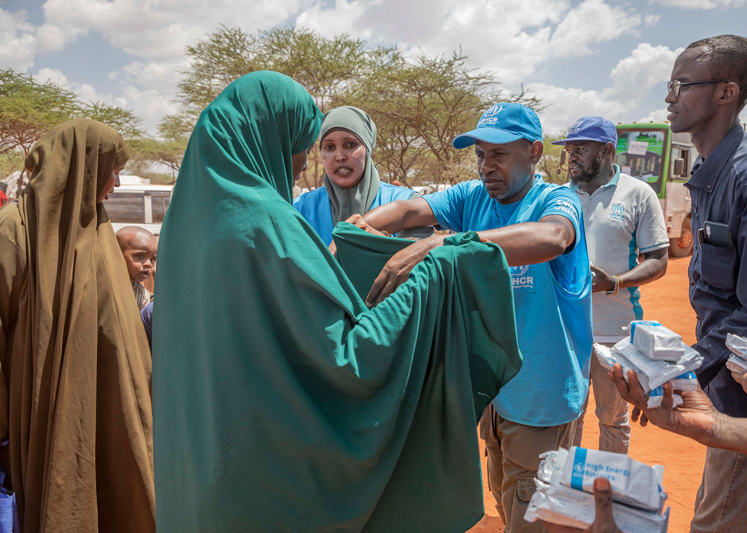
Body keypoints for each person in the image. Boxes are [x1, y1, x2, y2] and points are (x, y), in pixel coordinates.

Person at [152, 71, 523, 531]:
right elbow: (346, 358)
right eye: (310, 145)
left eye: (345, 145)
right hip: (261, 476)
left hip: (201, 458)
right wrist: (439, 270)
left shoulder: (181, 228)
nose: (308, 159)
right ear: (274, 138)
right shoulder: (270, 225)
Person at [360, 102, 592, 533]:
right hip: (494, 394)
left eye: (500, 154)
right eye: (481, 154)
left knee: (534, 519)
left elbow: (552, 236)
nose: (488, 166)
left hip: (542, 398)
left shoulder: (556, 200)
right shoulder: (474, 197)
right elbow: (410, 211)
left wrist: (449, 244)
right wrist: (359, 228)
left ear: (535, 152)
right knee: (508, 503)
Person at [662, 33, 747, 532]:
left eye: (681, 84)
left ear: (726, 92)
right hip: (720, 381)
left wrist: (683, 369)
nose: (669, 96)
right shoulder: (708, 171)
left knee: (715, 523)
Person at [0, 119, 155, 532]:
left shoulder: (101, 228)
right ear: (82, 169)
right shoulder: (15, 230)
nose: (117, 184)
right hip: (43, 412)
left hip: (111, 408)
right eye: (111, 170)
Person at [554, 116, 669, 454]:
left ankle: (608, 496)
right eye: (569, 149)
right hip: (564, 332)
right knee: (567, 420)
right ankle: (565, 497)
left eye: (580, 149)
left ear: (606, 150)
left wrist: (614, 283)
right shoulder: (558, 196)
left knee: (612, 421)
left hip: (613, 334)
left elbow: (658, 260)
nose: (571, 155)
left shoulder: (638, 194)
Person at [293, 105, 431, 246]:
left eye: (350, 144)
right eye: (329, 147)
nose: (339, 156)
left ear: (368, 149)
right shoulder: (300, 209)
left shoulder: (410, 203)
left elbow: (417, 260)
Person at [115, 226, 158, 310]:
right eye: (140, 256)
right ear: (118, 255)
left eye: (152, 259)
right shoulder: (109, 287)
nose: (148, 264)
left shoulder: (141, 292)